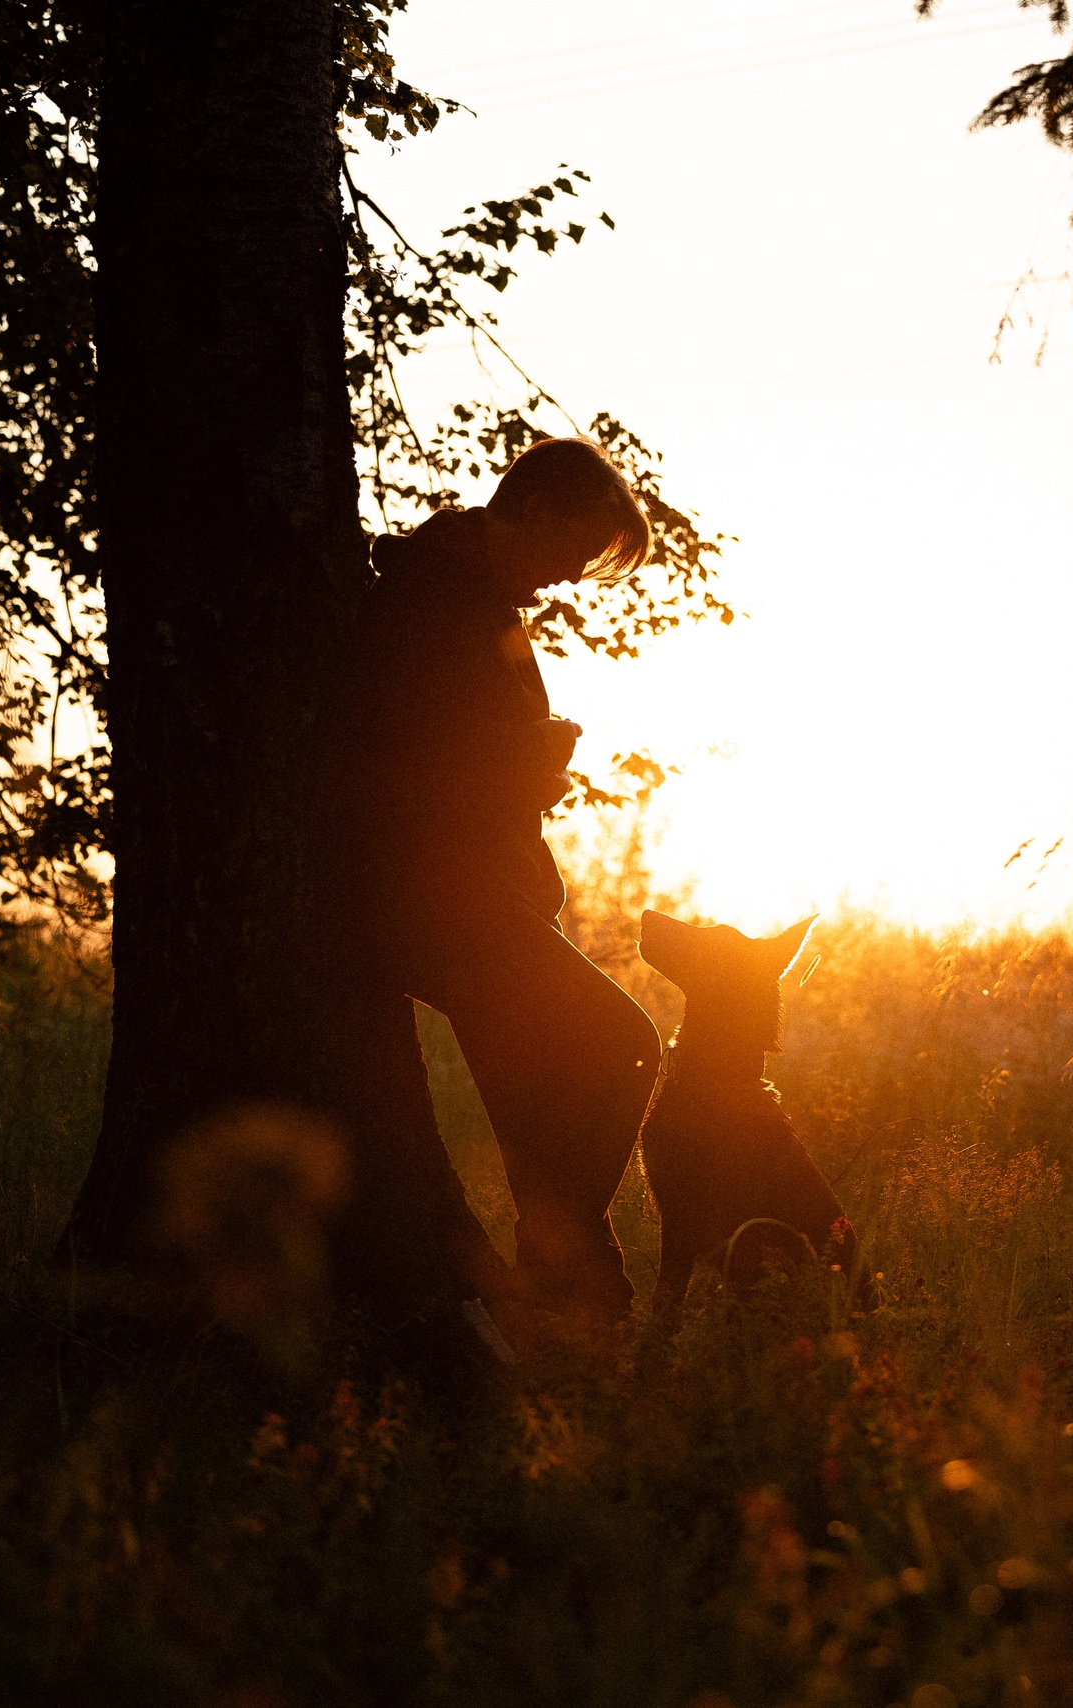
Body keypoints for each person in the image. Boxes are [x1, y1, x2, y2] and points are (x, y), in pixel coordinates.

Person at [344, 438, 664, 1331]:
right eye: (575, 549)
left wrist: (527, 769)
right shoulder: (435, 604)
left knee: (539, 1109)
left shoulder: (460, 594)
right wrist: (532, 764)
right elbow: (415, 763)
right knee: (628, 1046)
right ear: (537, 513)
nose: (570, 575)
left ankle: (561, 1300)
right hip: (449, 903)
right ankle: (558, 1268)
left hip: (479, 895)